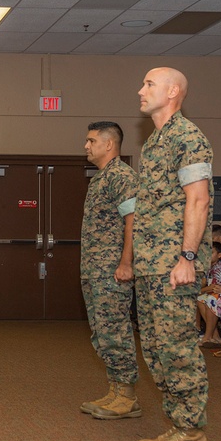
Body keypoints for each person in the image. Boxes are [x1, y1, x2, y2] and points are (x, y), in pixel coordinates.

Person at [132, 67, 213, 441]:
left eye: (149, 84)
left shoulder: (188, 137)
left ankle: (192, 433)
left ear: (174, 91)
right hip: (151, 263)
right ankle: (178, 424)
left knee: (177, 346)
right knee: (155, 348)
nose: (140, 91)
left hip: (174, 263)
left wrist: (188, 257)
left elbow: (198, 200)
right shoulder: (153, 144)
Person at [78, 121, 139, 420]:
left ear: (109, 144)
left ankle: (126, 395)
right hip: (94, 269)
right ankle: (115, 390)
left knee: (114, 330)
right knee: (101, 332)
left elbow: (133, 221)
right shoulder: (99, 179)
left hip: (112, 270)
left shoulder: (122, 176)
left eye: (91, 141)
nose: (86, 146)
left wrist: (126, 262)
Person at [195, 242, 221, 346]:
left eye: (211, 252)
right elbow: (204, 283)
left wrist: (198, 291)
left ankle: (208, 336)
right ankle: (214, 334)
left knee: (209, 299)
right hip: (213, 293)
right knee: (200, 299)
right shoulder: (209, 266)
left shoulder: (219, 268)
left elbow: (214, 287)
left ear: (219, 255)